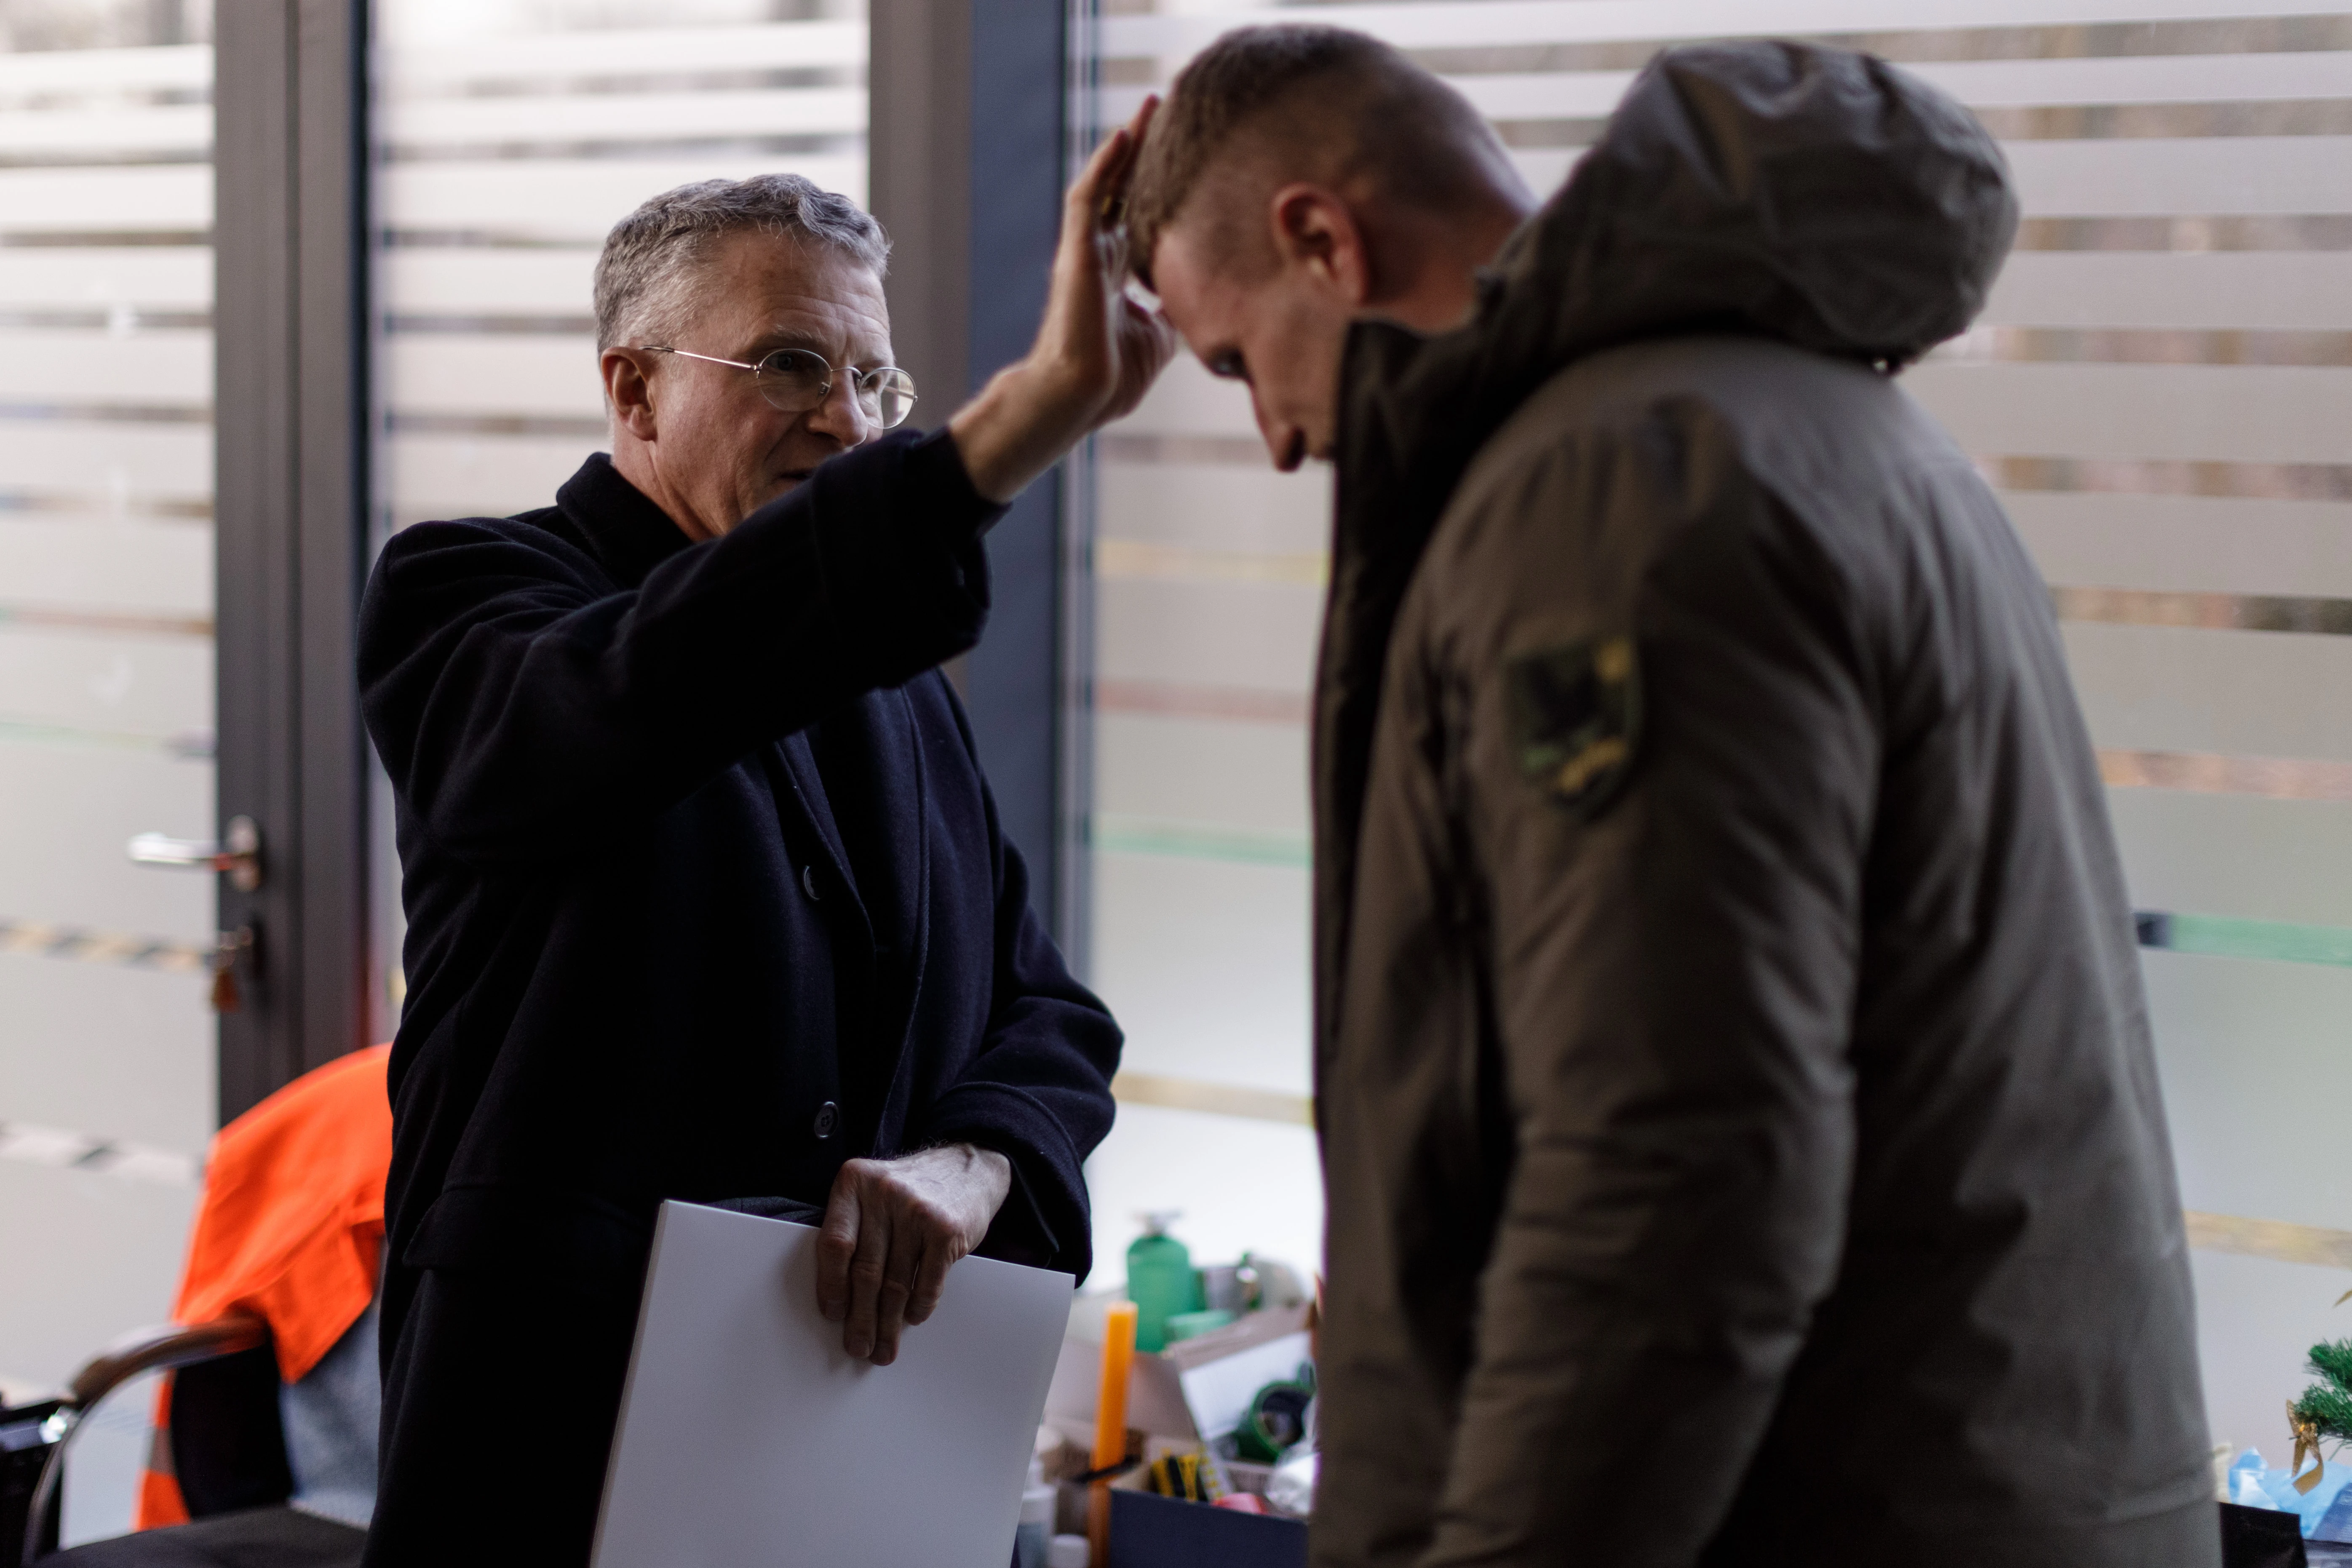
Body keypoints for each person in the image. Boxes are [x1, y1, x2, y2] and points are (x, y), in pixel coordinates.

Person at [1125, 28, 2217, 1568]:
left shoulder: (1614, 497)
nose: (1279, 438)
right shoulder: (1824, 432)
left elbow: (1671, 1178)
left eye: (1238, 362)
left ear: (1324, 239)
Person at [358, 115, 1175, 1565]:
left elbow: (1047, 1013)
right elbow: (638, 696)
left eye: (874, 378)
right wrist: (1020, 416)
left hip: (852, 1459)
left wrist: (974, 1163)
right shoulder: (473, 602)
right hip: (554, 1450)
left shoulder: (895, 674)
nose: (851, 423)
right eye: (794, 364)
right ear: (635, 387)